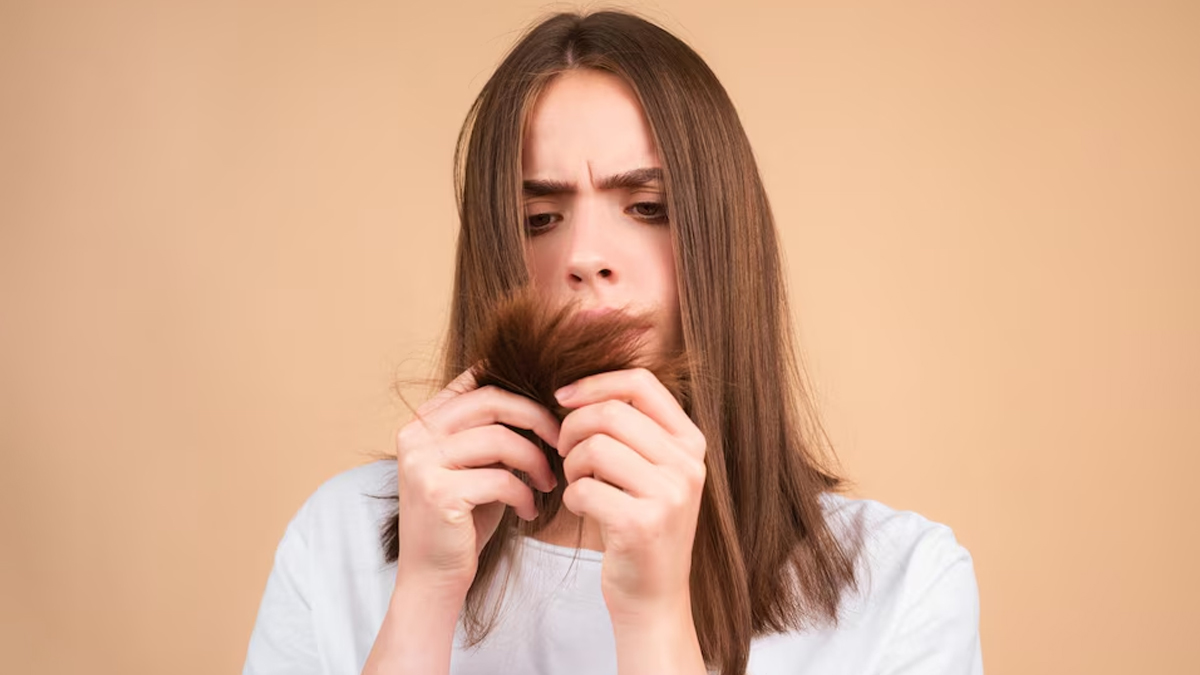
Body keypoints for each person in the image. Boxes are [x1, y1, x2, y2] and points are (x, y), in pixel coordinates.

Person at [243, 9, 983, 675]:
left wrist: (656, 620)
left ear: (723, 239)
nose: (586, 255)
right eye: (540, 216)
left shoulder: (903, 585)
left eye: (647, 207)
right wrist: (425, 597)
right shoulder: (338, 540)